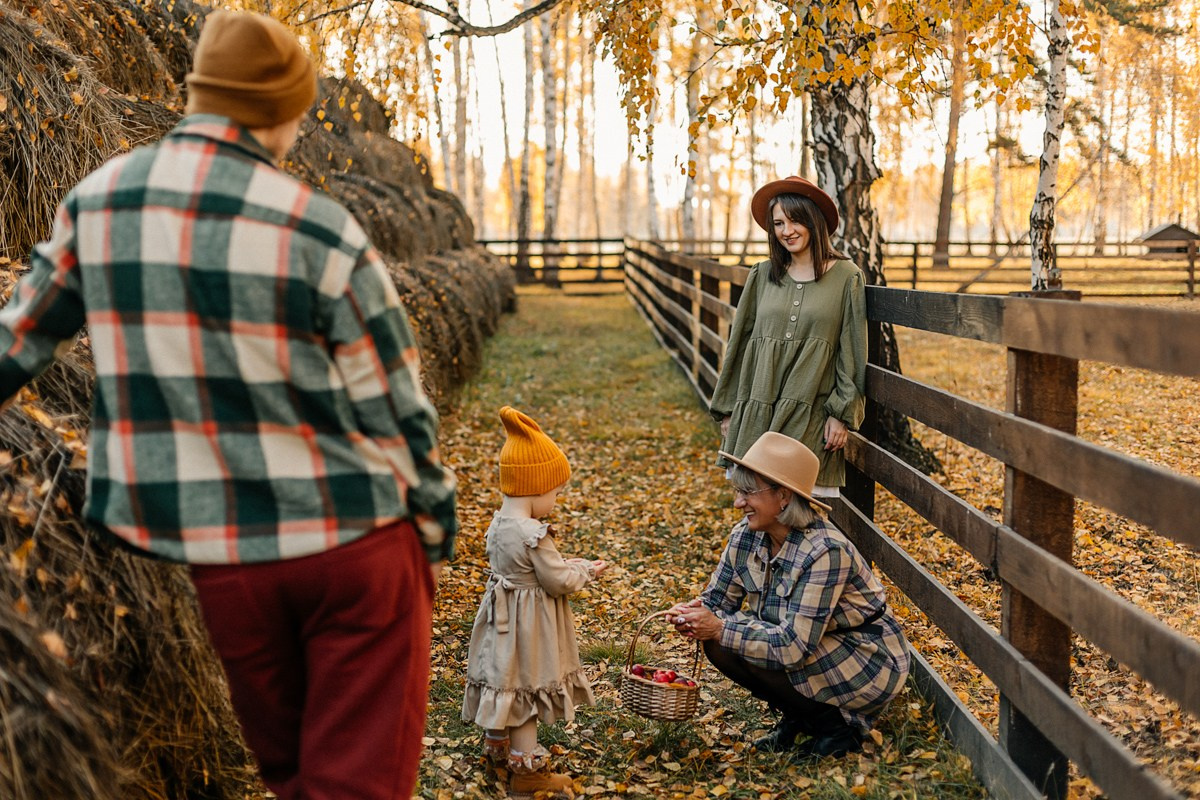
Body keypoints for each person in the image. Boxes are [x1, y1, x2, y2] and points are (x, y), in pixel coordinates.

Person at [0, 11, 456, 800]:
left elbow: (18, 342)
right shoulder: (320, 227)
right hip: (355, 546)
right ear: (281, 111)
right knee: (357, 785)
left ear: (197, 95)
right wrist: (435, 521)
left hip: (227, 559)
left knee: (291, 776)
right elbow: (397, 407)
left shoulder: (100, 204)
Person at [669, 432, 909, 761]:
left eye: (748, 493)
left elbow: (793, 647)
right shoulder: (745, 537)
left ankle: (837, 729)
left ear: (783, 496)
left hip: (863, 655)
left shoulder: (825, 551)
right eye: (738, 491)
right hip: (810, 647)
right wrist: (694, 614)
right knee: (718, 643)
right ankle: (800, 717)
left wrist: (720, 627)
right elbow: (717, 602)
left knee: (733, 637)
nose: (738, 503)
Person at [462, 406, 608, 799]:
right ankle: (527, 772)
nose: (556, 501)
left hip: (500, 618)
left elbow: (532, 569)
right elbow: (556, 579)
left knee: (503, 679)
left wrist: (570, 562)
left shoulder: (500, 524)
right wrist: (587, 571)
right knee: (525, 691)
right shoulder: (533, 532)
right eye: (556, 493)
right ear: (536, 486)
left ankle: (496, 748)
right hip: (528, 624)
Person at [709, 175, 866, 503]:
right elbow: (739, 343)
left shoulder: (846, 277)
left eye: (795, 220)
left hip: (810, 407)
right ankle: (755, 557)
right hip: (759, 402)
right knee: (756, 502)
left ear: (814, 221)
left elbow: (850, 350)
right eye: (778, 223)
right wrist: (727, 409)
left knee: (800, 506)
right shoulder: (762, 274)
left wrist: (843, 413)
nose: (787, 230)